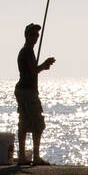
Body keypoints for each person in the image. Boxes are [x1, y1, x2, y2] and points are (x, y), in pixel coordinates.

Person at [15, 23, 55, 165]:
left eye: (37, 35)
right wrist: (44, 65)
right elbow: (33, 71)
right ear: (26, 35)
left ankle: (22, 157)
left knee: (24, 123)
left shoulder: (25, 51)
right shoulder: (27, 51)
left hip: (22, 90)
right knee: (38, 123)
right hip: (27, 92)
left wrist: (43, 66)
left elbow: (32, 70)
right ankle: (36, 157)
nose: (35, 37)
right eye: (32, 34)